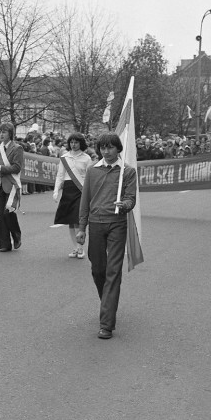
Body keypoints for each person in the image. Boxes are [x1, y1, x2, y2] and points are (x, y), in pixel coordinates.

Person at [75, 132, 137, 339]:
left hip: (117, 224)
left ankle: (106, 323)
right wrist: (81, 227)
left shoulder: (127, 172)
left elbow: (131, 198)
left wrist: (125, 205)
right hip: (96, 224)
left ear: (118, 148)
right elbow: (85, 200)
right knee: (98, 270)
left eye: (110, 147)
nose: (106, 151)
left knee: (113, 272)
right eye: (103, 147)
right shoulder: (93, 170)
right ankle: (107, 302)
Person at [53, 132, 93, 258]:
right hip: (68, 190)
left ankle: (81, 248)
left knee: (78, 220)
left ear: (81, 143)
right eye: (71, 142)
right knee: (70, 221)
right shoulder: (64, 157)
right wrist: (56, 190)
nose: (73, 145)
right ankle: (75, 248)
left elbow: (90, 177)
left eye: (76, 142)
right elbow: (60, 175)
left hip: (81, 190)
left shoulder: (86, 158)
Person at [0, 122, 23, 252]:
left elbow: (17, 167)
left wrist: (1, 168)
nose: (1, 134)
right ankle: (4, 244)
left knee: (8, 213)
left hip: (12, 184)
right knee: (1, 215)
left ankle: (16, 233)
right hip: (0, 185)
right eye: (0, 131)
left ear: (10, 134)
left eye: (4, 132)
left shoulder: (17, 148)